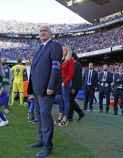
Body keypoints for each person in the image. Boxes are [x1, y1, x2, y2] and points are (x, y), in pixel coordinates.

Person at [29, 25, 62, 158]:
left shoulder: (54, 45)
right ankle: (41, 140)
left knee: (45, 116)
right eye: (40, 31)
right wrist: (30, 89)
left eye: (45, 31)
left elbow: (55, 67)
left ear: (50, 34)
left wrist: (51, 86)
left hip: (46, 89)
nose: (42, 33)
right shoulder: (40, 47)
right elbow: (34, 70)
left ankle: (48, 146)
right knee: (39, 116)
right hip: (37, 89)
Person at [58, 46, 75, 127]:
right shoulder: (62, 59)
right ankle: (61, 115)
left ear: (67, 51)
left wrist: (64, 82)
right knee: (60, 100)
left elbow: (71, 74)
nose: (62, 51)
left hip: (66, 83)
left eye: (64, 50)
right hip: (60, 82)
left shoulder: (70, 60)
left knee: (66, 100)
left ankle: (65, 118)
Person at [68, 53, 85, 121]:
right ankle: (70, 117)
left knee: (70, 100)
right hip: (73, 86)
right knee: (71, 101)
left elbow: (77, 77)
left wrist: (73, 88)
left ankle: (80, 113)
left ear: (73, 57)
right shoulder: (75, 64)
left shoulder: (77, 64)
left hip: (74, 86)